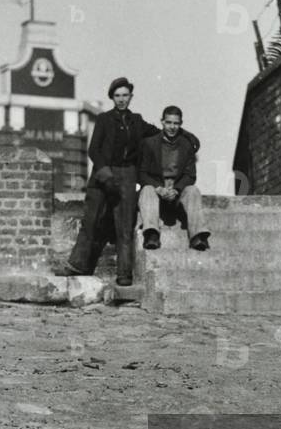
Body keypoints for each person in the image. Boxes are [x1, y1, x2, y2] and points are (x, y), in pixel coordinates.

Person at [57, 78, 198, 286]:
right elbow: (94, 150)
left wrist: (183, 132)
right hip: (102, 175)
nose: (122, 99)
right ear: (112, 97)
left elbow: (162, 133)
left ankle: (124, 274)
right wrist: (106, 175)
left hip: (127, 176)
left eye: (125, 95)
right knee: (91, 221)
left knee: (124, 225)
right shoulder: (104, 119)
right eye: (117, 96)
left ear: (130, 97)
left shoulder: (137, 121)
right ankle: (76, 265)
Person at [138, 105, 210, 251]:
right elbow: (142, 173)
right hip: (158, 190)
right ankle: (151, 234)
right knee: (147, 190)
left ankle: (197, 236)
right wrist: (159, 188)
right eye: (169, 122)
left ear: (181, 124)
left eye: (176, 123)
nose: (172, 127)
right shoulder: (149, 144)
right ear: (162, 122)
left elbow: (191, 175)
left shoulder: (186, 145)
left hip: (176, 191)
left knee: (193, 190)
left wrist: (176, 190)